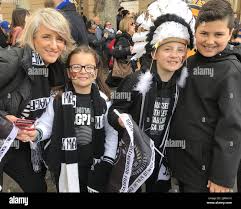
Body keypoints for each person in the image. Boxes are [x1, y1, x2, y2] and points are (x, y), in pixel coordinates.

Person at [108, 0, 195, 192]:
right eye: (167, 49)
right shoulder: (135, 80)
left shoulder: (183, 86)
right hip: (134, 156)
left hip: (163, 158)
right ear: (154, 53)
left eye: (180, 50)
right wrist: (121, 119)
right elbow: (113, 111)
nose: (175, 55)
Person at [168, 0, 241, 192]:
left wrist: (222, 177)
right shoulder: (188, 63)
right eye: (204, 33)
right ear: (195, 31)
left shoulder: (231, 71)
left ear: (230, 34)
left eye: (218, 34)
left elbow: (232, 127)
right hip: (183, 162)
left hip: (208, 173)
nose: (209, 41)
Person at [23, 46, 118, 192]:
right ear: (68, 72)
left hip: (94, 164)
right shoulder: (58, 99)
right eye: (76, 67)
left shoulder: (104, 101)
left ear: (96, 72)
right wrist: (36, 133)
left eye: (88, 67)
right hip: (65, 164)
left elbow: (111, 133)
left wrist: (108, 159)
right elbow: (47, 124)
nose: (83, 71)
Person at [0, 8, 74, 192]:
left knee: (37, 187)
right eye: (46, 37)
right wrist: (4, 123)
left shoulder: (58, 68)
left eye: (60, 39)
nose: (54, 45)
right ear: (32, 38)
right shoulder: (12, 60)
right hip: (3, 140)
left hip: (25, 146)